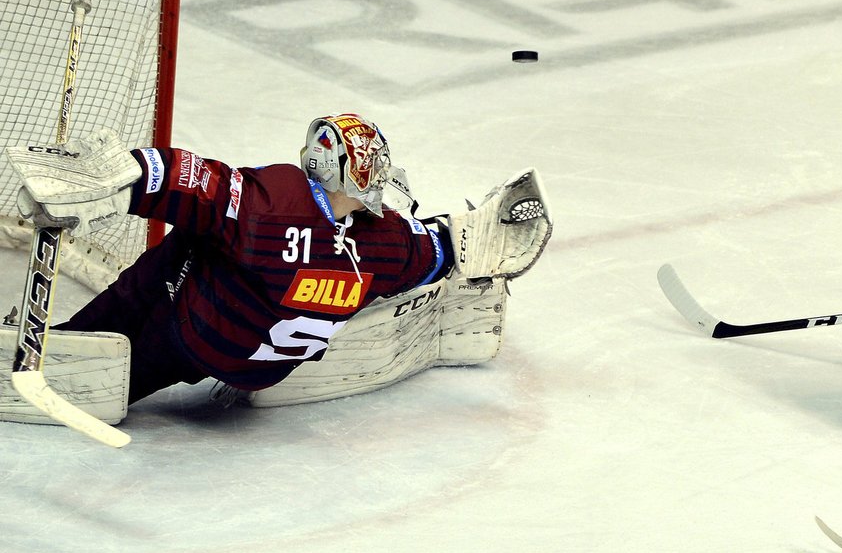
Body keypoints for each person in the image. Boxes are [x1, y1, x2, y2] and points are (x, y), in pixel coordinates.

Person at [5, 113, 551, 407]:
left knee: (173, 262)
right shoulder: (385, 241)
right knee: (205, 254)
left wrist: (111, 180)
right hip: (250, 366)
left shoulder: (271, 207)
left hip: (195, 327)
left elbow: (194, 184)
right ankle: (81, 353)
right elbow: (438, 252)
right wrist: (465, 240)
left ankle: (59, 353)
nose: (379, 182)